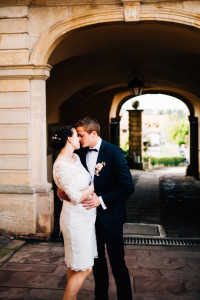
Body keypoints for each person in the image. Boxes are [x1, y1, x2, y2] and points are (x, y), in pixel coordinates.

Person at [59, 117, 134, 300]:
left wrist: (102, 200)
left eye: (82, 135)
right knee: (97, 265)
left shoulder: (114, 152)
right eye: (77, 135)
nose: (80, 138)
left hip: (111, 217)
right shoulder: (80, 154)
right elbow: (70, 178)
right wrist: (63, 193)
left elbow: (127, 186)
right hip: (86, 219)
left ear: (94, 133)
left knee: (117, 263)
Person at [52, 125, 97, 300]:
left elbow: (71, 188)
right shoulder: (60, 165)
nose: (79, 138)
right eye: (76, 136)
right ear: (69, 139)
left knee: (76, 267)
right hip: (74, 221)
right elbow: (76, 197)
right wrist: (94, 186)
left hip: (86, 219)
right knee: (86, 268)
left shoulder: (76, 158)